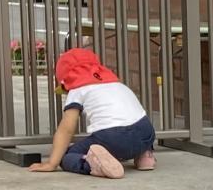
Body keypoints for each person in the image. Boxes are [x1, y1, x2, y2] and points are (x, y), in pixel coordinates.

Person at [30, 49, 156, 178]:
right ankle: (145, 156)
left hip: (114, 139)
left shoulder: (78, 90)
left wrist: (52, 163)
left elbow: (66, 129)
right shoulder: (116, 84)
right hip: (147, 133)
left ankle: (94, 164)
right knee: (137, 124)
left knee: (67, 156)